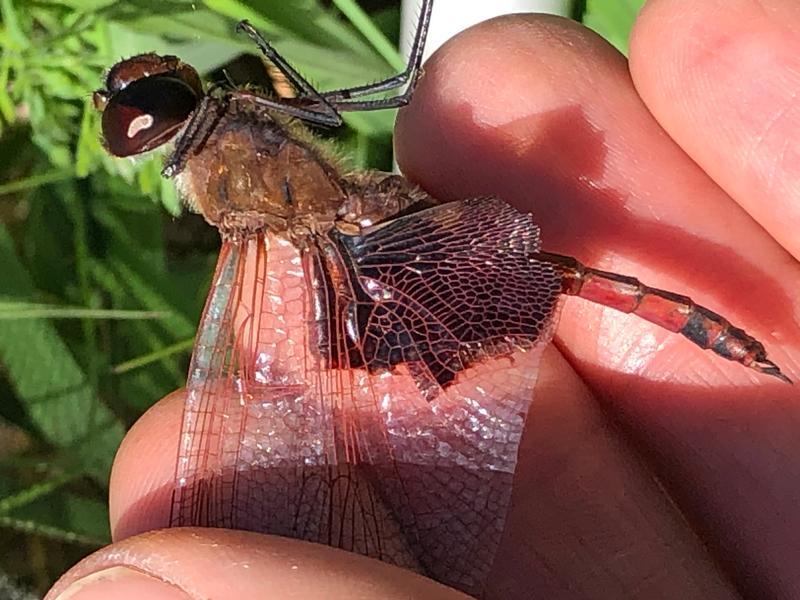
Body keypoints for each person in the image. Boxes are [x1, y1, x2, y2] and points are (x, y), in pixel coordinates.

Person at [45, 1, 800, 598]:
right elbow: (374, 96)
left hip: (380, 245)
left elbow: (373, 99)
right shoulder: (240, 128)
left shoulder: (231, 130)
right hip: (386, 248)